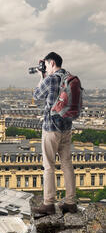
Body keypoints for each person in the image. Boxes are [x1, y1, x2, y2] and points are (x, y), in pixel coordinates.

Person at [32, 52, 77, 216]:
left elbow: (36, 95)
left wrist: (41, 76)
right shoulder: (69, 77)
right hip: (66, 127)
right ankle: (71, 201)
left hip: (51, 127)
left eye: (46, 65)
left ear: (51, 63)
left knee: (49, 165)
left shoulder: (50, 79)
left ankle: (48, 203)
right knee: (66, 164)